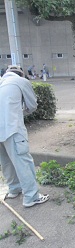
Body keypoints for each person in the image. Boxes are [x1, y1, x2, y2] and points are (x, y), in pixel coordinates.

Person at [0, 65, 50, 207]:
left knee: (6, 161)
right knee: (23, 162)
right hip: (12, 128)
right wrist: (20, 113)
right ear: (21, 74)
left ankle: (14, 189)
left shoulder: (1, 82)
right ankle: (31, 197)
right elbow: (32, 105)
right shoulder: (21, 82)